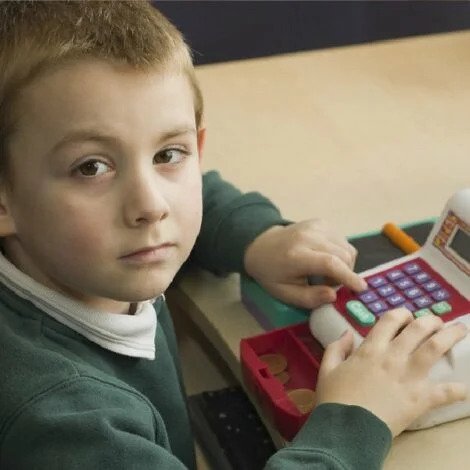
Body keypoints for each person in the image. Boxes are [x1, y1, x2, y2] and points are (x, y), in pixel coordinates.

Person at [0, 2, 466, 469]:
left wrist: (256, 239)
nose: (152, 205)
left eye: (168, 154)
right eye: (91, 167)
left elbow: (194, 188)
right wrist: (355, 419)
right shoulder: (66, 422)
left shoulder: (84, 254)